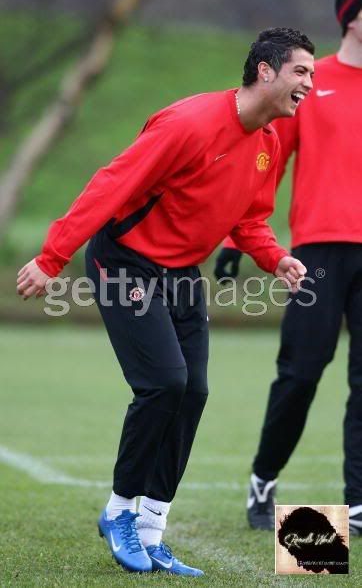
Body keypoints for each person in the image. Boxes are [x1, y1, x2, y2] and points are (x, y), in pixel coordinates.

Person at [17, 28, 314, 574]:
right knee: (163, 384)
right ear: (265, 71)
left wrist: (276, 258)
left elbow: (249, 219)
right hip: (124, 259)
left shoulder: (269, 145)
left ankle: (153, 529)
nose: (308, 84)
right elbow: (110, 185)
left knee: (193, 391)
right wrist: (51, 257)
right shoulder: (190, 123)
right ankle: (118, 512)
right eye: (300, 72)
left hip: (179, 272)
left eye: (313, 76)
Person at [215, 0, 362, 536]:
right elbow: (267, 165)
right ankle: (263, 480)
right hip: (319, 253)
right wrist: (236, 240)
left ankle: (360, 500)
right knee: (301, 374)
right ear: (350, 16)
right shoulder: (307, 79)